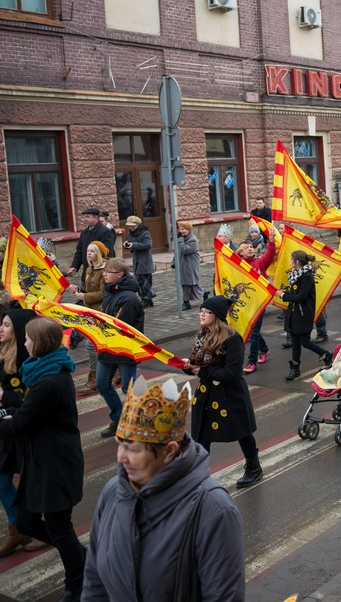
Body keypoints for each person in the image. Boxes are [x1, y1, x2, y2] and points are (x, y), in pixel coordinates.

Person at [83, 376, 246, 599]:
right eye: (120, 445)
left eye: (133, 449)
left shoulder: (213, 510)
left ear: (169, 451)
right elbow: (94, 582)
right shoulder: (113, 492)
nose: (121, 458)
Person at [0, 317, 86, 600]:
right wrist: (10, 400)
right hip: (42, 463)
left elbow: (20, 424)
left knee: (60, 530)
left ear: (40, 343)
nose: (25, 343)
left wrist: (7, 415)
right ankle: (80, 556)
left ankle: (77, 581)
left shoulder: (48, 382)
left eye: (28, 338)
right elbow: (29, 410)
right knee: (26, 521)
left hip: (54, 465)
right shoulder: (45, 373)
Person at [182, 296, 263, 488]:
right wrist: (188, 365)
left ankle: (254, 467)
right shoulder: (203, 334)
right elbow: (198, 363)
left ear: (217, 315)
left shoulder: (232, 338)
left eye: (207, 312)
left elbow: (232, 373)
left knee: (242, 432)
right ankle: (198, 477)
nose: (202, 314)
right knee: (202, 435)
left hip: (230, 394)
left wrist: (202, 371)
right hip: (206, 392)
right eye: (201, 310)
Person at [94, 258, 144, 437]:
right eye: (104, 271)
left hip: (125, 348)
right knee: (102, 383)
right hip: (108, 346)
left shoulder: (129, 298)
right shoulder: (110, 291)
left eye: (108, 272)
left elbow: (119, 324)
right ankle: (118, 417)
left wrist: (97, 325)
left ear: (120, 275)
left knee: (128, 387)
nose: (104, 274)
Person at [0, 309, 35, 556]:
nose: (1, 329)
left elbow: (28, 403)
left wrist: (4, 396)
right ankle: (18, 527)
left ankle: (29, 527)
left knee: (15, 480)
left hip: (17, 430)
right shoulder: (3, 352)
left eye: (6, 326)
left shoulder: (25, 361)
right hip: (5, 428)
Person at [276, 250, 333, 381]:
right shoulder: (295, 275)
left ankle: (326, 354)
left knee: (305, 342)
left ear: (297, 262)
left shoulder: (307, 276)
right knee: (296, 341)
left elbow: (301, 297)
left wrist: (284, 296)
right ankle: (295, 368)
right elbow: (295, 293)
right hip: (294, 313)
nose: (290, 261)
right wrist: (284, 292)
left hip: (303, 314)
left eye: (291, 259)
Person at [66, 240, 110, 393]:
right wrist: (78, 289)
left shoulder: (105, 270)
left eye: (92, 251)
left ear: (98, 253)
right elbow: (89, 289)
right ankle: (110, 373)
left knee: (91, 345)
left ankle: (95, 378)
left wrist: (83, 296)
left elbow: (103, 294)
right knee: (101, 345)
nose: (88, 253)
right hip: (90, 311)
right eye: (87, 251)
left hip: (102, 311)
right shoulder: (89, 270)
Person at [236, 236, 278, 374]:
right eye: (245, 247)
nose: (250, 248)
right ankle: (264, 349)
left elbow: (270, 254)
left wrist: (271, 241)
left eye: (251, 247)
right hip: (244, 305)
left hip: (259, 304)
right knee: (250, 331)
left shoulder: (259, 263)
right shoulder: (237, 266)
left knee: (254, 333)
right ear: (240, 252)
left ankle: (251, 362)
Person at [66, 207, 116, 277]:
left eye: (87, 217)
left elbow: (107, 253)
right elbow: (79, 252)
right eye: (83, 217)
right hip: (87, 272)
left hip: (100, 272)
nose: (84, 219)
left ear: (95, 218)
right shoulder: (84, 233)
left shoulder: (105, 232)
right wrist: (74, 266)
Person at [122, 215, 155, 307]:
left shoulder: (145, 233)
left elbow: (148, 245)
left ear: (137, 225)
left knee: (146, 281)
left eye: (133, 226)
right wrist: (127, 245)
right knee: (139, 281)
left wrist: (133, 244)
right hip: (136, 260)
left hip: (145, 261)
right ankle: (146, 299)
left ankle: (146, 299)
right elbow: (132, 245)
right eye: (129, 226)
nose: (131, 228)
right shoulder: (130, 234)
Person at [175, 221, 202, 310]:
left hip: (190, 264)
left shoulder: (192, 239)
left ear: (188, 230)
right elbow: (177, 251)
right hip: (183, 263)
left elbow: (185, 250)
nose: (181, 231)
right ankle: (204, 293)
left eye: (183, 229)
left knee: (188, 283)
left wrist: (180, 241)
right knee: (189, 284)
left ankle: (186, 303)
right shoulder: (183, 238)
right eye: (180, 229)